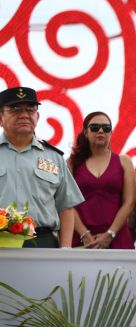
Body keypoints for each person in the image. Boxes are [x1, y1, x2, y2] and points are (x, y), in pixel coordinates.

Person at [0, 86, 83, 248]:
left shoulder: (54, 157)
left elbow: (66, 206)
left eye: (30, 110)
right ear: (1, 117)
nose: (24, 115)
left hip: (42, 241)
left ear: (37, 117)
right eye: (15, 109)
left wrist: (65, 249)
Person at [68, 112, 136, 249]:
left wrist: (110, 234)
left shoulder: (124, 161)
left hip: (117, 239)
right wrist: (84, 234)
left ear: (111, 133)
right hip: (82, 239)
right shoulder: (72, 163)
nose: (100, 131)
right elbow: (67, 203)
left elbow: (130, 202)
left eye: (106, 128)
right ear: (86, 132)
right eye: (94, 127)